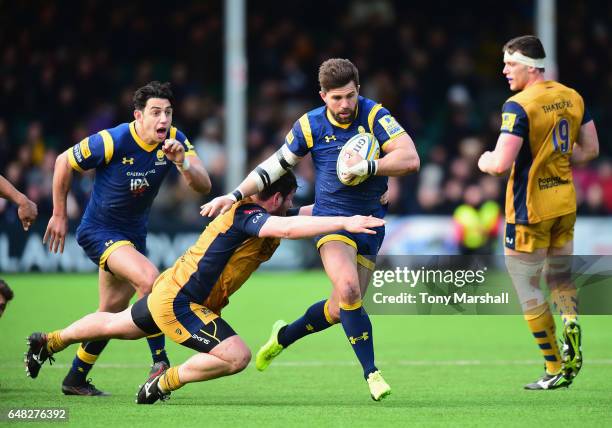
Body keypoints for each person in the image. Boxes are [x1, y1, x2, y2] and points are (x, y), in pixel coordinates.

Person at [24, 172, 385, 404]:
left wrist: (361, 205)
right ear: (276, 199)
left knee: (113, 324)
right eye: (289, 199)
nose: (291, 206)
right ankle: (162, 383)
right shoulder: (248, 216)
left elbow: (306, 215)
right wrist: (347, 221)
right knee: (236, 357)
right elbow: (288, 230)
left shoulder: (264, 211)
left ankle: (48, 341)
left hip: (172, 289)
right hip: (183, 303)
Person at [201, 58, 420, 400]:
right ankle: (372, 373)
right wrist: (233, 195)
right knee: (348, 289)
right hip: (330, 221)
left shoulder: (375, 115)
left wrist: (368, 166)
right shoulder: (310, 125)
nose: (345, 105)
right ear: (322, 96)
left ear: (358, 91)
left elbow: (410, 159)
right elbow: (272, 167)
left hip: (371, 222)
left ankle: (283, 337)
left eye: (350, 96)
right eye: (336, 98)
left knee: (340, 307)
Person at [41, 81, 212, 396]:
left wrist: (183, 163)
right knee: (150, 280)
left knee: (109, 314)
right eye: (156, 112)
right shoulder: (113, 140)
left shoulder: (176, 140)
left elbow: (203, 185)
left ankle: (72, 374)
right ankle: (159, 361)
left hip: (133, 237)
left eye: (168, 113)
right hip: (99, 232)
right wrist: (59, 214)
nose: (163, 120)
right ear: (139, 116)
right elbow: (64, 161)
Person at [478, 35, 599, 390]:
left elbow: (500, 164)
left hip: (529, 209)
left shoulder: (518, 105)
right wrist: (555, 162)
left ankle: (553, 366)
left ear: (530, 68)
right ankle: (571, 320)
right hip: (564, 202)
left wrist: (483, 160)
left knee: (526, 284)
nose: (504, 70)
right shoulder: (572, 96)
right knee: (560, 278)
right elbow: (590, 149)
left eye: (510, 64)